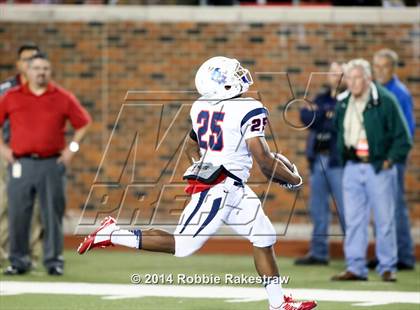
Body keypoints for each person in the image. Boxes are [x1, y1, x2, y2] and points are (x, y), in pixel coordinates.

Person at [78, 56, 317, 310]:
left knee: (264, 236)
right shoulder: (249, 108)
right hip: (221, 187)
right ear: (221, 84)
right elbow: (265, 161)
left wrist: (201, 163)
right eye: (233, 74)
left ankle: (278, 304)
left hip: (232, 186)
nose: (240, 76)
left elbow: (192, 145)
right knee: (182, 246)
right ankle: (112, 234)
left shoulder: (201, 105)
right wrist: (293, 179)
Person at [0, 52, 92, 275]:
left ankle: (54, 261)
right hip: (21, 163)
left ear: (50, 72)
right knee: (18, 214)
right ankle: (18, 261)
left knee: (52, 213)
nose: (41, 72)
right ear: (27, 71)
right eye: (36, 68)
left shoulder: (62, 97)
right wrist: (3, 149)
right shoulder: (12, 96)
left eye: (45, 69)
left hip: (52, 164)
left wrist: (72, 150)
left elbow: (84, 123)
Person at [331, 59, 411, 282]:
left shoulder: (385, 100)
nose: (353, 83)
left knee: (384, 219)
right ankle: (355, 267)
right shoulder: (343, 102)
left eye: (357, 78)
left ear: (367, 79)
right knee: (354, 220)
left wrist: (389, 160)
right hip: (353, 166)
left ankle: (387, 267)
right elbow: (338, 130)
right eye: (349, 78)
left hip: (378, 167)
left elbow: (403, 137)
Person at [295, 62, 346, 266]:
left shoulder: (349, 99)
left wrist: (322, 113)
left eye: (339, 72)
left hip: (338, 161)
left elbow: (338, 123)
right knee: (318, 209)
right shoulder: (322, 98)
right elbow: (305, 116)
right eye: (332, 72)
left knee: (346, 210)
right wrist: (325, 113)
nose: (335, 76)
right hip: (318, 160)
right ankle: (319, 253)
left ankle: (353, 256)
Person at [0, 43, 43, 269]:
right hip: (6, 153)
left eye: (34, 59)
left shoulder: (45, 89)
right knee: (3, 204)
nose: (30, 63)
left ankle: (33, 257)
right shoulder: (6, 88)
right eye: (26, 59)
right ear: (18, 64)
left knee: (34, 206)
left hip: (33, 157)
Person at [372, 48, 416, 270]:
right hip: (376, 158)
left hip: (391, 159)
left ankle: (405, 257)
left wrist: (392, 157)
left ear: (393, 68)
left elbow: (408, 129)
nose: (379, 71)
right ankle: (385, 254)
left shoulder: (399, 93)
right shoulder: (375, 90)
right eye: (376, 66)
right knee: (380, 207)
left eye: (383, 66)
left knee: (395, 207)